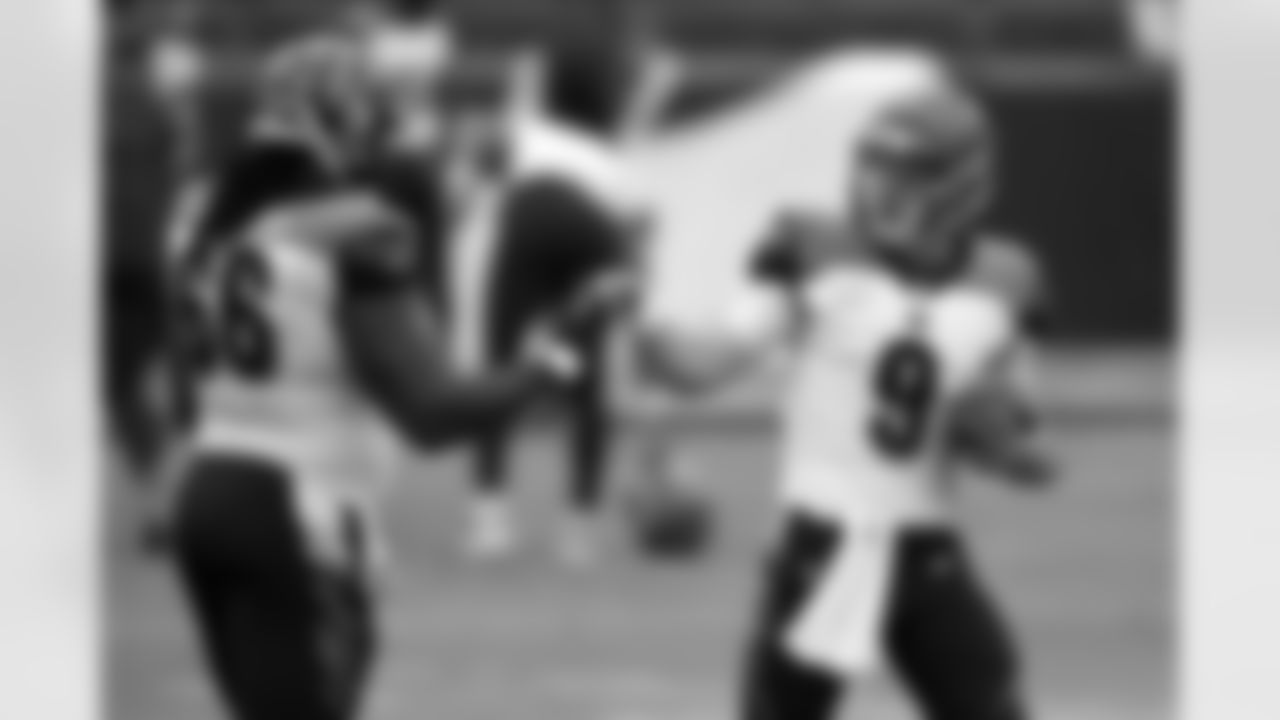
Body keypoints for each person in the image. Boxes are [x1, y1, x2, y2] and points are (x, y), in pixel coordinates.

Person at [153, 34, 615, 720]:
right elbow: (432, 412)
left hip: (205, 498)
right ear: (341, 122)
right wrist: (557, 357)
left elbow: (185, 394)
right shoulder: (357, 228)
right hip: (297, 507)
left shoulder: (201, 223)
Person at [673, 81, 1054, 720]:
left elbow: (1023, 424)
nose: (879, 188)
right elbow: (714, 356)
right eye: (873, 166)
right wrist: (651, 344)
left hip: (927, 550)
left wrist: (1015, 448)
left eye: (903, 173)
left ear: (960, 186)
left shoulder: (1005, 282)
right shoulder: (817, 252)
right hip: (825, 544)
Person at [448, 0, 680, 564]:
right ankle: (579, 525)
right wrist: (635, 301)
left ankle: (490, 518)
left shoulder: (532, 131)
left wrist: (464, 182)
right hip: (592, 230)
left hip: (531, 215)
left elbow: (480, 160)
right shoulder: (612, 153)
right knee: (586, 377)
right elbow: (640, 228)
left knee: (502, 366)